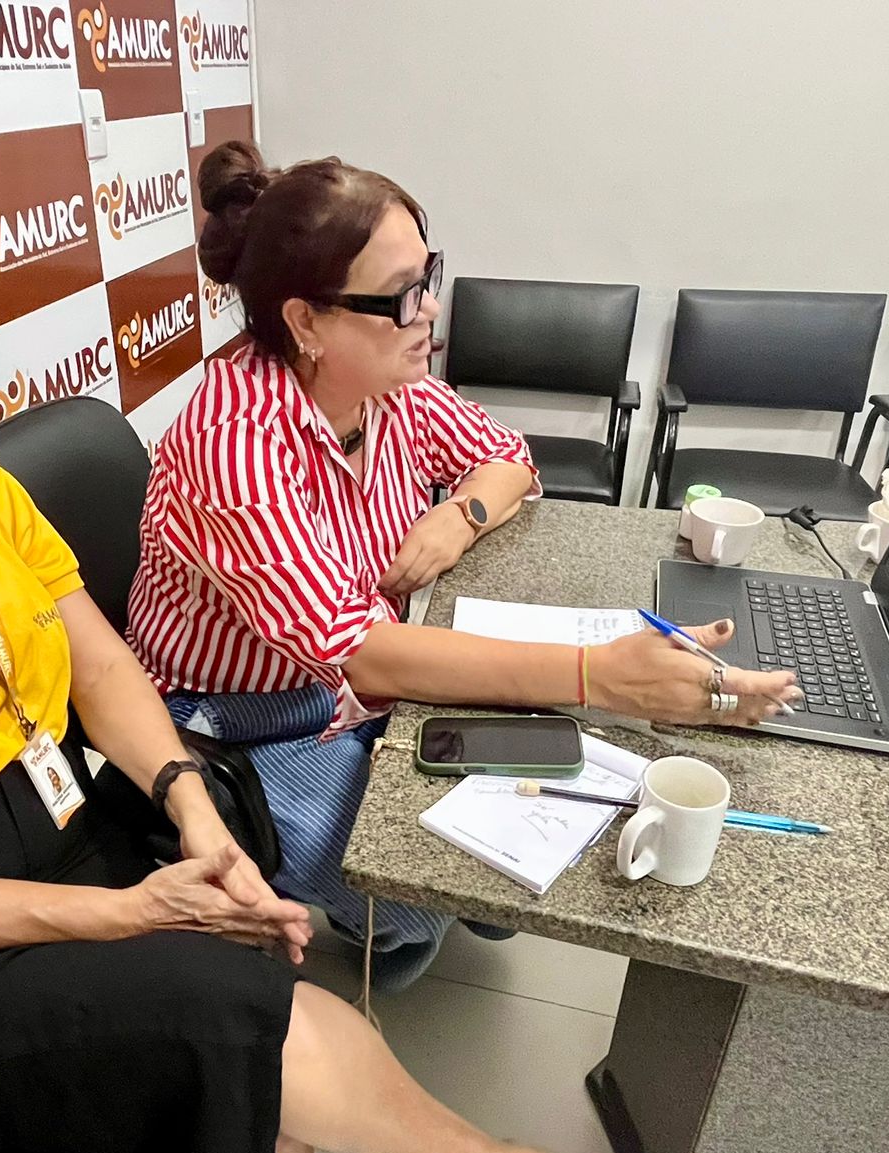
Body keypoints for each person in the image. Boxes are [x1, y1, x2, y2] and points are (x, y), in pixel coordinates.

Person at [0, 243, 708, 1153]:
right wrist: (127, 915)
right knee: (228, 1011)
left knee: (253, 997)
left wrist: (192, 811)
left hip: (63, 841)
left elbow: (103, 666)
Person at [128, 142, 802, 990]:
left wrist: (459, 515)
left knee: (529, 800)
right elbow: (358, 651)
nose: (431, 309)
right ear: (306, 322)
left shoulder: (388, 381)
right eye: (402, 295)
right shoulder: (235, 445)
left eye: (429, 276)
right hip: (244, 715)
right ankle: (387, 927)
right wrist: (601, 675)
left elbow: (509, 458)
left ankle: (422, 904)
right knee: (420, 892)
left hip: (361, 674)